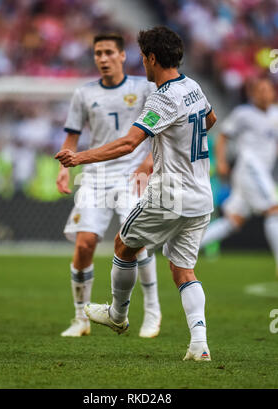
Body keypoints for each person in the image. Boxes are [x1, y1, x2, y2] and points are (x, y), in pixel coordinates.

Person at [56, 26, 217, 362]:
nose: (142, 63)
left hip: (170, 194)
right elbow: (210, 118)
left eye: (143, 57)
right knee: (182, 270)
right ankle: (199, 344)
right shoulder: (193, 87)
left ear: (151, 58)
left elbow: (129, 142)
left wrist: (78, 158)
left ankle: (117, 314)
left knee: (123, 245)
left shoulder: (162, 97)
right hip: (202, 196)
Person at [56, 33, 161, 338]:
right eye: (97, 53)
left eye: (108, 53)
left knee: (136, 242)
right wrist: (64, 169)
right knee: (85, 244)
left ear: (122, 56)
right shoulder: (84, 94)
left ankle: (152, 312)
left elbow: (160, 129)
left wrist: (150, 161)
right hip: (96, 176)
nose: (102, 58)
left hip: (134, 175)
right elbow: (73, 136)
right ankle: (80, 318)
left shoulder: (144, 88)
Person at [200, 77, 278, 277]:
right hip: (250, 167)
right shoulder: (243, 114)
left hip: (261, 172)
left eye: (267, 90)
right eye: (259, 90)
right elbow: (223, 137)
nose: (264, 94)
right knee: (273, 209)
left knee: (234, 220)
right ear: (253, 93)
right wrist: (222, 162)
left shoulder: (275, 115)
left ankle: (185, 249)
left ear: (273, 93)